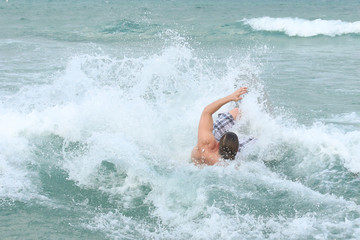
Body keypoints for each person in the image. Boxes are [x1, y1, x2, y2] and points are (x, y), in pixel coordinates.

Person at [191, 87, 248, 165]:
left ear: (217, 144)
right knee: (255, 140)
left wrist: (230, 97)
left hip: (204, 155)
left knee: (236, 111)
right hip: (222, 157)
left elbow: (207, 112)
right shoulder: (231, 166)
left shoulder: (205, 145)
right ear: (237, 151)